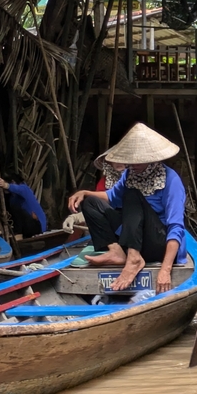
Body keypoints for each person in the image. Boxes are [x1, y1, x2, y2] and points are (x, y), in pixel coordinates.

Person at [67, 123, 186, 292]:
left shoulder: (171, 180)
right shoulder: (130, 175)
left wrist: (165, 269)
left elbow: (176, 226)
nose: (132, 164)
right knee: (91, 202)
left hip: (158, 244)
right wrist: (85, 192)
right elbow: (111, 197)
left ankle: (134, 258)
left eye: (138, 161)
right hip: (134, 240)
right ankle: (117, 252)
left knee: (131, 194)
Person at [0, 173, 47, 238]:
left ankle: (18, 233)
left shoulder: (24, 188)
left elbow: (18, 189)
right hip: (27, 226)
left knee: (16, 208)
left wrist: (6, 185)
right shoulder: (12, 198)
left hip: (37, 226)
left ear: (12, 182)